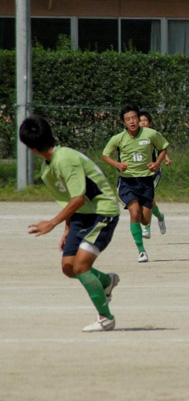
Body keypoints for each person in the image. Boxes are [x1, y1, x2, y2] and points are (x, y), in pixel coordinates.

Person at [19, 116, 120, 332]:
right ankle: (105, 282)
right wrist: (67, 229)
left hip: (103, 212)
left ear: (30, 147)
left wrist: (53, 223)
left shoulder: (65, 159)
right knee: (68, 268)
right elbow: (69, 199)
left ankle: (106, 318)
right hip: (81, 216)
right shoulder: (47, 169)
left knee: (81, 266)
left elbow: (78, 198)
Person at [102, 104, 169, 263]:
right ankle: (141, 251)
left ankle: (159, 216)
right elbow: (105, 155)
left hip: (145, 181)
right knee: (134, 212)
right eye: (127, 119)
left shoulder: (151, 134)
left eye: (134, 118)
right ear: (123, 122)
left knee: (145, 220)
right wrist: (117, 165)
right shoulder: (118, 139)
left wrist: (157, 163)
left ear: (139, 119)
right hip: (127, 182)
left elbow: (163, 148)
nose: (131, 121)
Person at [139, 110, 171, 239]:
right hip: (140, 172)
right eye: (140, 120)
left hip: (153, 171)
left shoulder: (153, 135)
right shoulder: (135, 137)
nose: (142, 123)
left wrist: (167, 158)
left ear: (150, 123)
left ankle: (147, 229)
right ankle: (160, 216)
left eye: (145, 120)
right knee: (148, 201)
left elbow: (161, 148)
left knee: (147, 199)